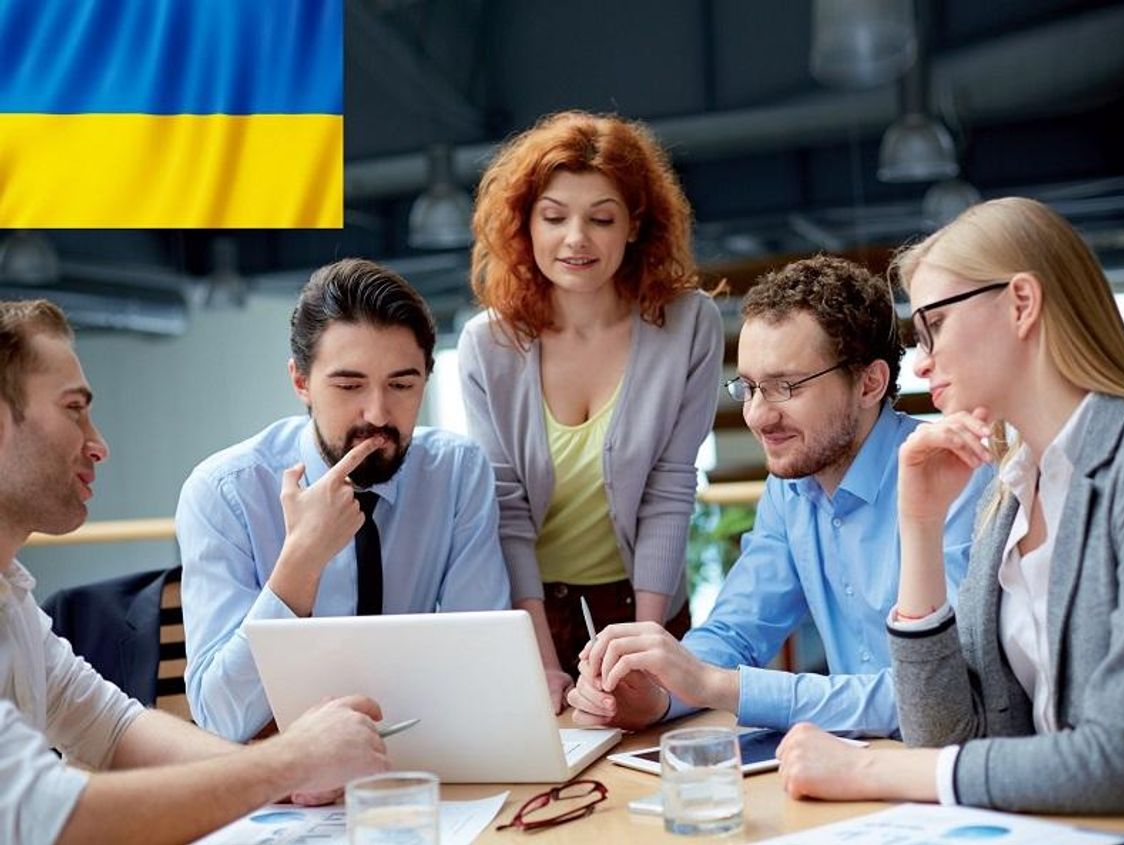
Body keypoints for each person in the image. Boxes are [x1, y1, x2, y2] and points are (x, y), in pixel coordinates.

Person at [776, 198, 1124, 814]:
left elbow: (1122, 760)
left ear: (1021, 304)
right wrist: (917, 524)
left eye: (934, 326)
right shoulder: (1009, 496)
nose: (920, 361)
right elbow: (946, 736)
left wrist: (867, 770)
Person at [0, 299, 389, 845]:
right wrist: (290, 761)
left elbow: (114, 730)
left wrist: (292, 776)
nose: (100, 444)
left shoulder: (11, 598)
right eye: (73, 409)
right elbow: (51, 816)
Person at [571, 255, 992, 735]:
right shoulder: (790, 489)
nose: (756, 415)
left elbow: (938, 692)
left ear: (869, 383)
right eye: (748, 388)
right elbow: (735, 631)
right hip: (853, 767)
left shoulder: (958, 477)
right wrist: (658, 694)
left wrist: (715, 685)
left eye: (784, 387)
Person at [457, 110, 724, 711]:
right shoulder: (487, 345)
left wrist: (647, 648)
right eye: (553, 217)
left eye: (601, 218)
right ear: (524, 225)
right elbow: (507, 513)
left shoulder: (687, 324)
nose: (576, 239)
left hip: (645, 605)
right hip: (534, 613)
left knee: (653, 764)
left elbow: (670, 487)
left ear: (634, 225)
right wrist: (542, 662)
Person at [178, 258, 510, 741]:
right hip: (285, 775)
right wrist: (302, 560)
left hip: (428, 756)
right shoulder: (224, 492)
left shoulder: (456, 473)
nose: (377, 413)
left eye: (401, 384)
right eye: (349, 385)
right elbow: (222, 718)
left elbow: (485, 663)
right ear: (300, 382)